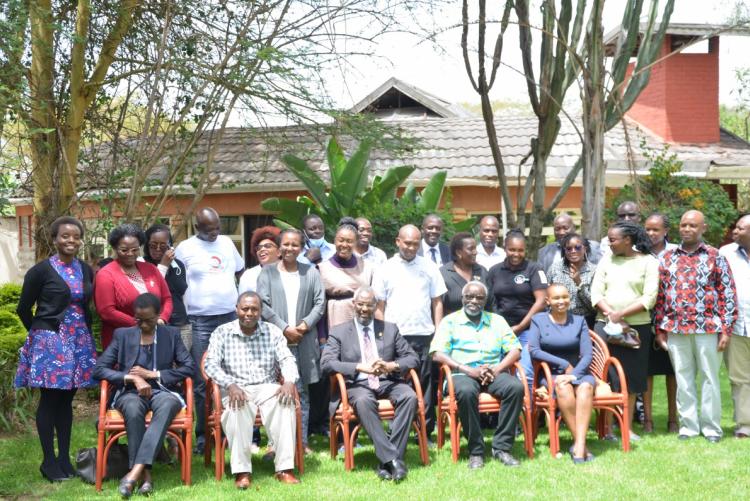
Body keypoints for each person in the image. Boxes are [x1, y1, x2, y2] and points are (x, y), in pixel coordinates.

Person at [15, 216, 97, 482]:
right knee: (50, 400)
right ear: (54, 239)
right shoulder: (40, 271)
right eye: (65, 236)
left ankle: (64, 459)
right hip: (51, 341)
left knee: (66, 401)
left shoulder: (85, 269)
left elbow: (86, 305)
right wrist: (42, 336)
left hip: (78, 340)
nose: (70, 240)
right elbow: (23, 309)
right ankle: (48, 462)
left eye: (75, 236)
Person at [94, 293, 194, 498]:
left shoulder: (171, 334)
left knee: (166, 406)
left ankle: (134, 473)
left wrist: (154, 374)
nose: (142, 324)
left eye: (148, 320)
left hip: (163, 391)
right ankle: (145, 475)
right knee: (132, 408)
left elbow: (189, 367)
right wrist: (131, 378)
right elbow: (99, 369)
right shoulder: (123, 335)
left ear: (158, 315)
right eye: (138, 319)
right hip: (129, 392)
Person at [321, 286, 419, 482]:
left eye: (369, 305)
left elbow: (413, 358)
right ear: (354, 304)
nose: (364, 309)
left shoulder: (390, 328)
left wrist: (391, 365)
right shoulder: (339, 331)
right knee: (364, 401)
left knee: (409, 396)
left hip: (387, 380)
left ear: (376, 306)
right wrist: (359, 367)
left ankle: (387, 462)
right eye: (360, 304)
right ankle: (394, 460)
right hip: (357, 384)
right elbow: (326, 363)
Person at [654, 210, 737, 442]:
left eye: (692, 225)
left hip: (708, 328)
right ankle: (688, 427)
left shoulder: (715, 256)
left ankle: (711, 428)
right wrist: (660, 330)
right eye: (683, 225)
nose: (687, 229)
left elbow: (727, 294)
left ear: (703, 228)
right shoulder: (668, 257)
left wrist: (726, 330)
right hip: (676, 329)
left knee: (710, 377)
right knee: (683, 378)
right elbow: (660, 296)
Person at [204, 292, 300, 488]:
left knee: (285, 402)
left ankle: (284, 469)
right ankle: (242, 471)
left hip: (267, 386)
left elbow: (287, 359)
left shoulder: (272, 331)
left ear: (261, 312)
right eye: (245, 309)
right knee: (236, 407)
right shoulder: (222, 332)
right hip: (236, 387)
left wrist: (289, 381)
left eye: (254, 309)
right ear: (236, 309)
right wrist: (230, 384)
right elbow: (210, 364)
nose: (249, 313)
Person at [431, 281, 524, 469]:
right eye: (469, 297)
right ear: (462, 298)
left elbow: (515, 350)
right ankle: (476, 450)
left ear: (485, 300)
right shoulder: (450, 321)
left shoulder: (497, 320)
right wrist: (466, 369)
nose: (474, 301)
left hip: (492, 371)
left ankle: (502, 448)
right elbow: (437, 353)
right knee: (466, 392)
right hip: (461, 373)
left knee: (515, 387)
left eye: (479, 298)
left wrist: (497, 369)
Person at [174, 207, 245, 454]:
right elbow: (176, 280)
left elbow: (238, 269)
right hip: (199, 320)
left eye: (217, 228)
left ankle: (231, 432)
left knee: (233, 373)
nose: (215, 233)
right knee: (202, 378)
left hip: (229, 316)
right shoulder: (185, 248)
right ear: (197, 228)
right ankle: (204, 437)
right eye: (209, 230)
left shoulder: (226, 243)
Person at [373, 224, 447, 441]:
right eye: (407, 243)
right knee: (396, 382)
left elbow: (437, 302)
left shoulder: (429, 266)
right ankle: (396, 429)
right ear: (398, 241)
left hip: (423, 334)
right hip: (394, 336)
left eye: (415, 243)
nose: (411, 247)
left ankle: (425, 431)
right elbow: (379, 305)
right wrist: (381, 336)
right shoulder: (385, 268)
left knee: (424, 383)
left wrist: (439, 332)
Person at [257, 228, 325, 452]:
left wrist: (303, 326)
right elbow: (263, 305)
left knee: (301, 392)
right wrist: (285, 328)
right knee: (275, 393)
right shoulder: (267, 273)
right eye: (285, 244)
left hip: (304, 341)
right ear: (279, 246)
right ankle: (274, 444)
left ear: (302, 248)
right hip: (276, 341)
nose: (290, 248)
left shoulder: (311, 272)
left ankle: (301, 442)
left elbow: (319, 303)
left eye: (295, 244)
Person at [591, 221, 658, 441]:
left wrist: (622, 314)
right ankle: (607, 430)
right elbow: (596, 293)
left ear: (627, 240)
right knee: (606, 378)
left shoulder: (648, 262)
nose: (609, 243)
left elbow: (649, 297)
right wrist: (611, 313)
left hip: (635, 328)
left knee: (630, 380)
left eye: (612, 239)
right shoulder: (606, 261)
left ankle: (626, 428)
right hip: (605, 327)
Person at [528, 283, 595, 464]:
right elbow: (533, 350)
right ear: (548, 300)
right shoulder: (538, 320)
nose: (561, 301)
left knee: (586, 387)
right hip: (552, 374)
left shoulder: (579, 321)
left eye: (565, 297)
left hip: (578, 371)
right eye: (556, 298)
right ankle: (581, 446)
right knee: (563, 388)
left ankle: (579, 445)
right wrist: (563, 364)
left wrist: (574, 374)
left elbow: (588, 354)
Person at [95, 224, 173, 349]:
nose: (130, 254)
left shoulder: (151, 269)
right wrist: (144, 324)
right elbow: (107, 312)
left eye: (135, 249)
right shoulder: (106, 274)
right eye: (124, 250)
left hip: (155, 337)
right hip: (123, 342)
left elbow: (167, 298)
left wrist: (161, 320)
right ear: (115, 248)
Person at [487, 229, 548, 387]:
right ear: (504, 248)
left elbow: (541, 301)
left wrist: (520, 327)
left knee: (525, 373)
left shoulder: (534, 269)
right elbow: (490, 301)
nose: (516, 254)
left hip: (528, 331)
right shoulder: (494, 271)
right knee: (498, 373)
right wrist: (501, 328)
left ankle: (528, 410)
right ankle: (501, 411)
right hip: (501, 332)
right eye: (512, 249)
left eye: (520, 250)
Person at [642, 213, 678, 433]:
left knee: (672, 371)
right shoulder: (637, 252)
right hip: (645, 318)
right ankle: (647, 420)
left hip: (672, 320)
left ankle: (673, 419)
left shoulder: (676, 252)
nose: (651, 233)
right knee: (647, 370)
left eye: (655, 229)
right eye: (647, 229)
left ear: (666, 231)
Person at [720, 213, 750, 438]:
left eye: (740, 228)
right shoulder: (725, 253)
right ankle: (745, 425)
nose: (735, 232)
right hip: (738, 326)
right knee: (740, 378)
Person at [319, 219, 374, 330]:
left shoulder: (368, 267)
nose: (344, 245)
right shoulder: (322, 268)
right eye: (341, 240)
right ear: (334, 241)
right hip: (334, 322)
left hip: (363, 323)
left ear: (356, 242)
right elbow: (319, 307)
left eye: (349, 241)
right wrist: (322, 338)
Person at [143, 224, 189, 349]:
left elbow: (184, 294)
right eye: (153, 245)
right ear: (147, 244)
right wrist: (163, 265)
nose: (158, 249)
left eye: (163, 245)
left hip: (181, 325)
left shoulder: (178, 265)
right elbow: (150, 292)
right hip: (157, 325)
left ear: (170, 245)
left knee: (182, 365)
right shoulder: (142, 264)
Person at [546, 233, 597, 327]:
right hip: (557, 320)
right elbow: (547, 296)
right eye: (569, 248)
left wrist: (579, 283)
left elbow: (594, 307)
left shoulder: (594, 271)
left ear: (585, 248)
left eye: (577, 247)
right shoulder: (555, 268)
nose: (573, 251)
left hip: (585, 321)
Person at [440, 232, 491, 315]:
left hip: (481, 324)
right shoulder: (443, 274)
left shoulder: (482, 271)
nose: (475, 252)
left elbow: (491, 303)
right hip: (453, 325)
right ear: (458, 252)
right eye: (471, 249)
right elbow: (438, 305)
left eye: (475, 248)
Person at [537, 213, 602, 272]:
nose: (561, 232)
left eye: (565, 228)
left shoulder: (593, 247)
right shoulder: (544, 253)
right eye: (557, 229)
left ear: (574, 227)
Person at [238, 226, 281, 294]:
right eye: (259, 248)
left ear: (279, 252)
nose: (262, 249)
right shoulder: (249, 275)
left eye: (267, 246)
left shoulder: (289, 272)